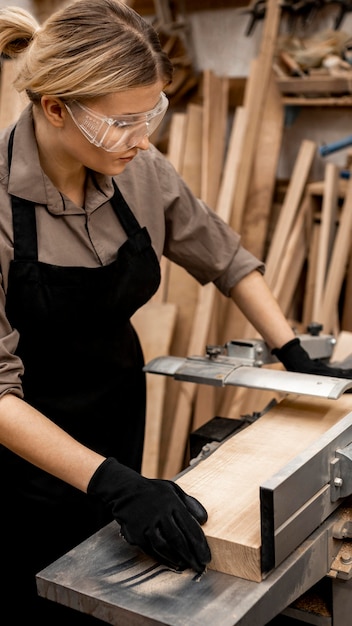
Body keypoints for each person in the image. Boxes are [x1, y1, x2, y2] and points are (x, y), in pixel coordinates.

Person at [0, 1, 351, 623]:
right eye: (122, 122)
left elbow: (226, 258)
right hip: (25, 447)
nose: (142, 139)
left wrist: (295, 356)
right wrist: (112, 485)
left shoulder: (139, 171)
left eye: (153, 114)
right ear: (55, 108)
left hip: (115, 405)